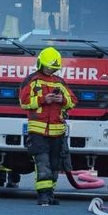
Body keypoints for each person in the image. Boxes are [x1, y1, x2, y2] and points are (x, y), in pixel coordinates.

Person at [19, 47, 77, 206]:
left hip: (57, 132)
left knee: (55, 164)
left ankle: (50, 194)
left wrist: (61, 100)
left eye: (53, 68)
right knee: (42, 163)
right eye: (48, 67)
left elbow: (73, 101)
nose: (50, 70)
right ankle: (43, 195)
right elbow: (24, 102)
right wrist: (44, 99)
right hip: (37, 131)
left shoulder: (59, 82)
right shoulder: (32, 80)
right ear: (40, 64)